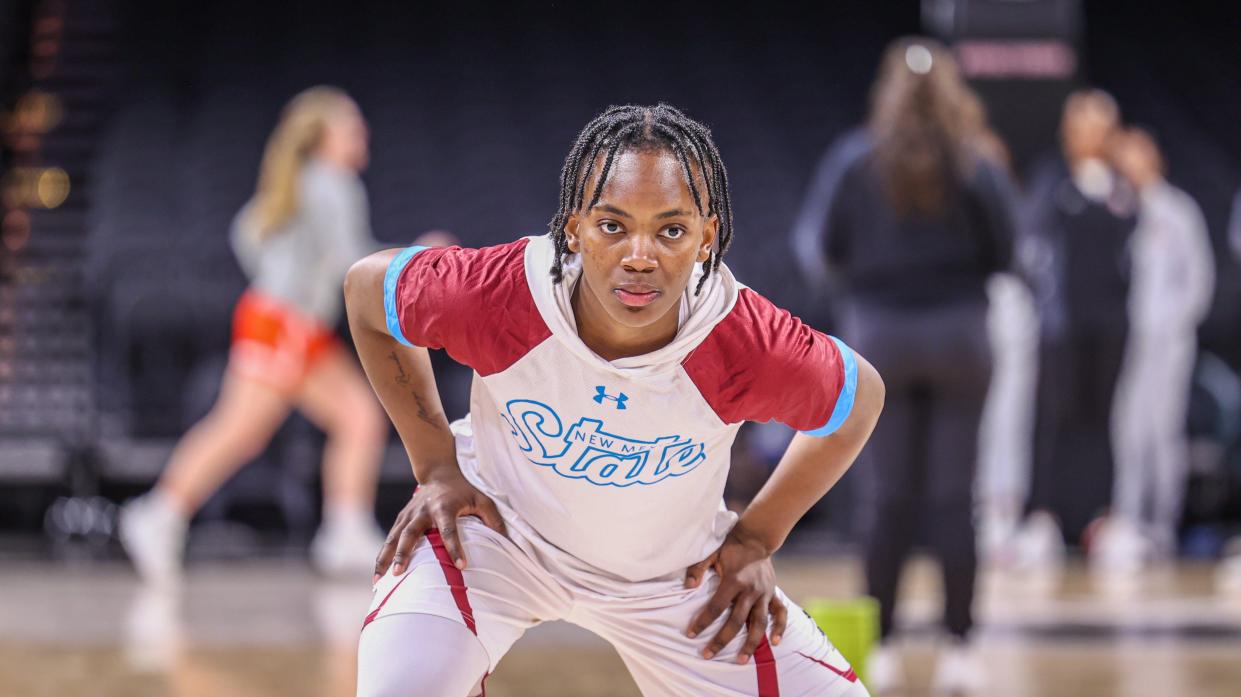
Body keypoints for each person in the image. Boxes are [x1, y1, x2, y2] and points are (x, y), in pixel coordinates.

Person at [345, 104, 883, 697]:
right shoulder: (502, 294)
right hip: (495, 535)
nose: (639, 255)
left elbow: (859, 401)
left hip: (670, 577)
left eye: (671, 230)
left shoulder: (743, 339)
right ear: (573, 228)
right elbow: (367, 291)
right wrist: (437, 465)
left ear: (708, 237)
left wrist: (757, 537)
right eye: (612, 225)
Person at [795, 39, 1015, 694]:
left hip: (877, 343)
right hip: (960, 340)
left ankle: (884, 644)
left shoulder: (853, 159)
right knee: (955, 499)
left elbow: (819, 248)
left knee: (884, 498)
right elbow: (1006, 252)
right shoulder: (976, 163)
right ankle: (960, 648)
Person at [120, 86, 389, 583]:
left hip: (282, 322)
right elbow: (355, 263)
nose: (361, 133)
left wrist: (284, 277)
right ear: (323, 136)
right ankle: (156, 514)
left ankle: (345, 532)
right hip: (284, 326)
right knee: (241, 429)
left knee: (357, 417)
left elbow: (246, 232)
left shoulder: (299, 182)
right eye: (350, 125)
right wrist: (417, 256)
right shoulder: (333, 183)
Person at [1094, 127, 1214, 576]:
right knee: (1128, 430)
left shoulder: (1177, 211)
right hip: (1127, 341)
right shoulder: (1120, 209)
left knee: (1162, 432)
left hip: (1169, 343)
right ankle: (1129, 522)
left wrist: (1174, 325)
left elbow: (1198, 281)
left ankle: (1162, 526)